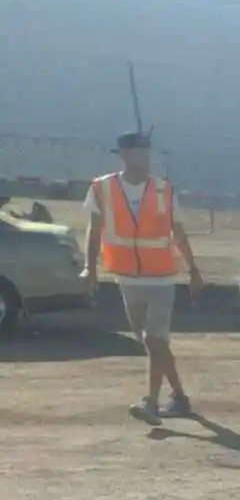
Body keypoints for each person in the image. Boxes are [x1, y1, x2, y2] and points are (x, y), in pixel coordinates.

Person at [79, 132, 204, 423]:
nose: (144, 160)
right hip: (126, 277)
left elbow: (179, 233)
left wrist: (193, 269)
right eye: (138, 154)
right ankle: (180, 397)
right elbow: (94, 229)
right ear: (123, 155)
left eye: (147, 154)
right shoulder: (102, 188)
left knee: (154, 339)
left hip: (161, 277)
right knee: (152, 344)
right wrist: (90, 267)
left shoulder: (164, 190)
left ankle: (150, 402)